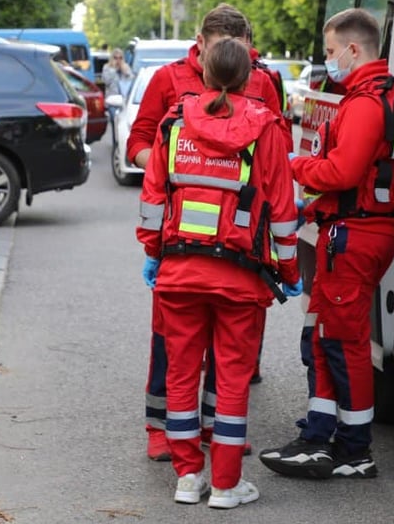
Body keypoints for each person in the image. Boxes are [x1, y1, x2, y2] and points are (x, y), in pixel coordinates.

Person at [137, 38, 302, 508]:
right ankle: (227, 486)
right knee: (231, 380)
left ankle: (188, 478)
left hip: (179, 272)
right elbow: (283, 210)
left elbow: (152, 200)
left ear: (203, 72)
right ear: (251, 78)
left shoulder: (174, 123)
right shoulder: (265, 127)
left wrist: (153, 253)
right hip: (240, 278)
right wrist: (289, 270)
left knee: (182, 376)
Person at [259, 7, 394, 481]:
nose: (328, 61)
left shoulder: (368, 103)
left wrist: (294, 164)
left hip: (356, 234)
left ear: (353, 49)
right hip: (353, 228)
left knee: (344, 343)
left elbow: (342, 172)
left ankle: (353, 451)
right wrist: (314, 207)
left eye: (331, 52)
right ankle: (320, 437)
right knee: (324, 336)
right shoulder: (379, 95)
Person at [101, 47, 134, 124]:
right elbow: (106, 81)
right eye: (115, 58)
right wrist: (114, 70)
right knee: (114, 120)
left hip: (124, 99)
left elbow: (131, 80)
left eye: (120, 58)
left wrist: (125, 71)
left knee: (123, 121)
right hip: (112, 99)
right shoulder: (107, 67)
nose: (118, 60)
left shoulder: (126, 67)